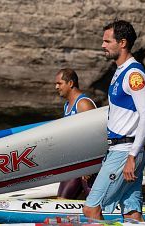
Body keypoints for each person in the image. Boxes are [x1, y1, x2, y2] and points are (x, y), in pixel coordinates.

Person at [83, 20, 145, 221]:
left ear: (122, 43)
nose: (102, 45)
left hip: (125, 152)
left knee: (91, 209)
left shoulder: (133, 74)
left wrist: (131, 157)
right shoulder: (119, 72)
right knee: (132, 214)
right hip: (122, 150)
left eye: (107, 41)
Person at [54, 68, 97, 199]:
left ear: (71, 83)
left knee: (93, 205)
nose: (56, 87)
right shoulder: (67, 106)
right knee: (62, 201)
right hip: (74, 164)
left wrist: (90, 166)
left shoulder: (83, 104)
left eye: (59, 83)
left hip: (86, 165)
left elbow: (95, 136)